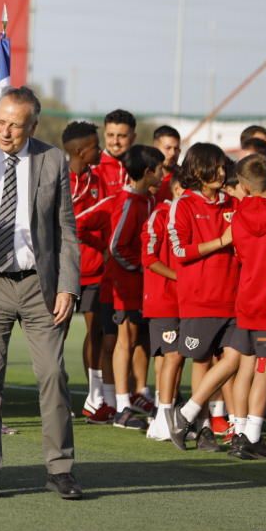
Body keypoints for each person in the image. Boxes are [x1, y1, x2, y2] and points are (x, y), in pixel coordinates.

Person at [0, 86, 82, 500]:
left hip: (39, 286)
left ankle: (60, 469)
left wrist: (68, 285)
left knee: (52, 374)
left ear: (33, 125)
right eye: (1, 121)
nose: (6, 131)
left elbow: (67, 230)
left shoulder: (52, 159)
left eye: (16, 124)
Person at [171, 154, 266, 459]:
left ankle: (223, 425)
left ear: (244, 186)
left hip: (244, 300)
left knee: (243, 364)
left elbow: (240, 252)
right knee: (265, 368)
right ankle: (251, 436)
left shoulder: (240, 213)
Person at [163, 143, 239, 453]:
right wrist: (220, 241)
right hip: (200, 298)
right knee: (202, 361)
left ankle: (187, 413)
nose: (222, 172)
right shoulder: (182, 205)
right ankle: (203, 428)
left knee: (234, 358)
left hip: (234, 298)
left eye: (223, 167)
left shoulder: (233, 204)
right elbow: (179, 251)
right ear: (197, 170)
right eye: (216, 167)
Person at [104, 145, 165, 431]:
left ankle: (139, 395)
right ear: (149, 172)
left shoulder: (150, 200)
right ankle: (121, 406)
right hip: (127, 286)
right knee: (125, 340)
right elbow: (116, 246)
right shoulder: (127, 202)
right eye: (160, 169)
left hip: (145, 288)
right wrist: (141, 267)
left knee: (142, 340)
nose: (164, 174)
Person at [62, 121, 111, 422]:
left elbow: (105, 218)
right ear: (81, 150)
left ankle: (94, 399)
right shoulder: (56, 178)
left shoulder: (98, 179)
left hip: (95, 271)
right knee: (57, 335)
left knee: (96, 332)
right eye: (96, 145)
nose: (101, 150)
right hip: (63, 272)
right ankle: (56, 395)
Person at [143, 173, 184, 442]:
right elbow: (149, 257)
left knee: (174, 357)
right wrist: (181, 278)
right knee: (169, 356)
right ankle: (162, 417)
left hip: (184, 300)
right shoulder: (160, 215)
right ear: (177, 189)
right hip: (164, 298)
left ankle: (164, 416)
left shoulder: (186, 214)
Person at [152, 125, 182, 204]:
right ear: (155, 148)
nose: (173, 153)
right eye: (168, 148)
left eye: (176, 149)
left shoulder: (184, 179)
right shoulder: (143, 177)